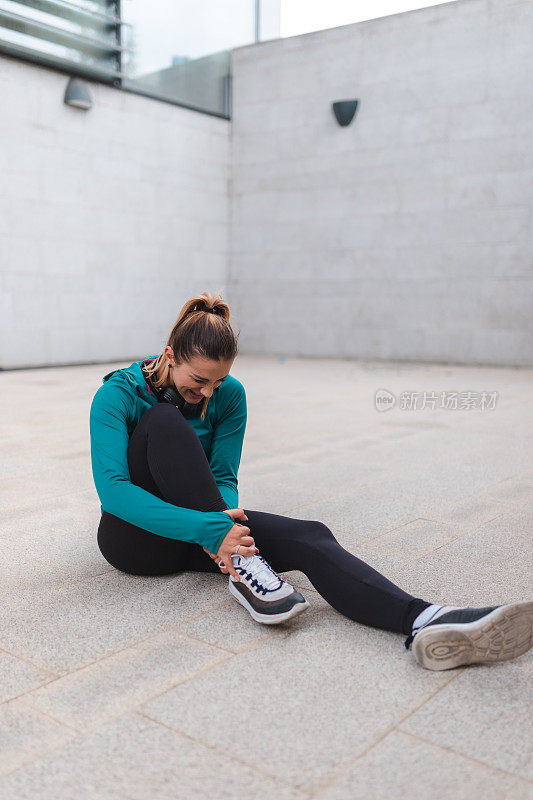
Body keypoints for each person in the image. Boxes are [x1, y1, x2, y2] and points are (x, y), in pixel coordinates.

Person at [90, 290, 532, 672]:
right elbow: (113, 491)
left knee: (311, 535)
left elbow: (223, 477)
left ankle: (424, 620)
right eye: (199, 380)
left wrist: (223, 519)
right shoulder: (119, 393)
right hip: (136, 539)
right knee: (165, 421)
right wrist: (212, 530)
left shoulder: (231, 396)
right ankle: (244, 567)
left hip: (204, 531)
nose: (208, 393)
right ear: (169, 355)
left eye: (218, 381)